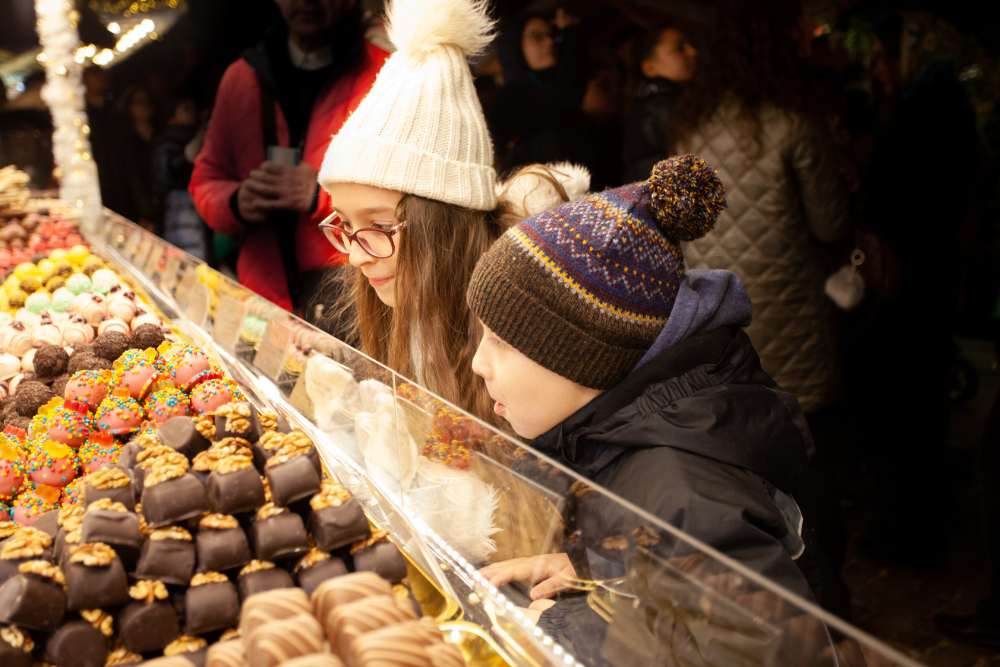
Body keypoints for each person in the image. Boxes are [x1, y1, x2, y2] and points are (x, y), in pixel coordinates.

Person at [469, 156, 847, 659]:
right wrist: (599, 568)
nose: (478, 363)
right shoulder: (623, 439)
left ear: (584, 357)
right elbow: (680, 588)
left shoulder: (683, 489)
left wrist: (586, 631)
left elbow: (773, 654)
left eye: (501, 341)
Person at [668, 0, 851, 570]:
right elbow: (832, 224)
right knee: (810, 469)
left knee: (739, 467)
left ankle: (755, 591)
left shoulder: (690, 124)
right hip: (793, 322)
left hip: (718, 326)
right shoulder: (795, 121)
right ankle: (828, 606)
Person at [315, 0, 507, 420]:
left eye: (379, 225)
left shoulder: (519, 349)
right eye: (345, 225)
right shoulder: (395, 315)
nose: (354, 255)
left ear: (448, 222)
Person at [189, 0, 389, 318]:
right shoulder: (240, 78)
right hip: (262, 297)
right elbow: (206, 178)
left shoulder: (386, 75)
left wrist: (322, 195)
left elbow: (408, 190)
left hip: (354, 292)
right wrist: (238, 201)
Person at [488, 9, 596, 178]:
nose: (549, 42)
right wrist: (572, 33)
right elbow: (567, 91)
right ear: (513, 46)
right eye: (536, 36)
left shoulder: (559, 90)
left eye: (553, 36)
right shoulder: (507, 102)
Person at [621, 25, 696, 183]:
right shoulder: (663, 108)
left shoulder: (648, 103)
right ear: (650, 68)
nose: (693, 52)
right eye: (679, 48)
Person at [153, 96, 210, 260]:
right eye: (186, 109)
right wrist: (204, 129)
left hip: (203, 208)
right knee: (186, 262)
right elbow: (173, 169)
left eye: (194, 108)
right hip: (180, 214)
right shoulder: (165, 143)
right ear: (171, 117)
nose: (193, 113)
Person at [115, 86, 158, 232]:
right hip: (138, 214)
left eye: (147, 101)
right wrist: (144, 214)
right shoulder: (124, 141)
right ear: (129, 106)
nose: (144, 106)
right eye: (138, 102)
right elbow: (131, 180)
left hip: (164, 209)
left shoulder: (161, 135)